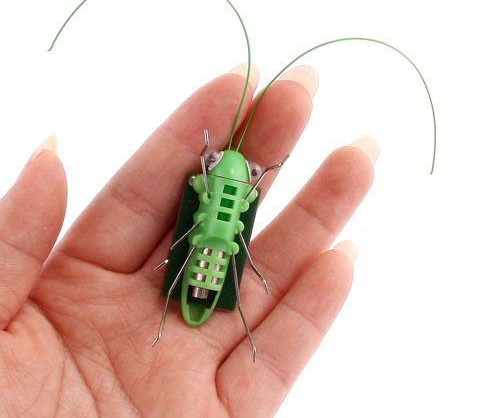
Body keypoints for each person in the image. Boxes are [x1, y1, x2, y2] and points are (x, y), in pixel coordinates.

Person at [0, 63, 378, 417]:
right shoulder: (243, 191)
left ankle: (193, 301)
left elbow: (202, 190)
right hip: (221, 246)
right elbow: (237, 199)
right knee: (225, 254)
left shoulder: (209, 185)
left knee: (207, 248)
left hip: (206, 243)